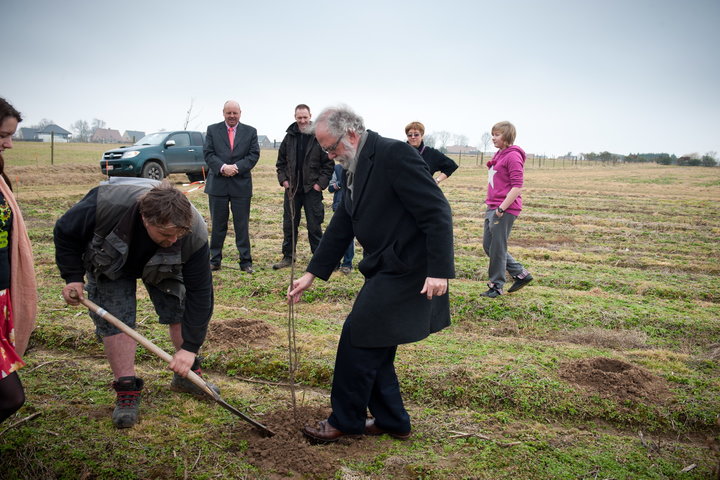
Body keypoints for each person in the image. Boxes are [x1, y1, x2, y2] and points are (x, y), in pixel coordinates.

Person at [288, 105, 454, 443]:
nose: (329, 155)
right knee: (374, 342)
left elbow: (437, 210)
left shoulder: (394, 155)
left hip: (410, 268)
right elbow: (344, 222)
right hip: (385, 267)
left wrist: (439, 271)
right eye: (324, 149)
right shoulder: (354, 164)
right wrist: (312, 274)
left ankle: (345, 420)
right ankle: (393, 420)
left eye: (331, 147)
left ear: (350, 134)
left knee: (358, 336)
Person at [54, 178, 216, 428]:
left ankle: (188, 375)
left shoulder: (193, 233)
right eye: (165, 233)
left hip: (165, 264)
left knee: (180, 306)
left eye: (178, 235)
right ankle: (127, 390)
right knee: (116, 320)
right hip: (110, 259)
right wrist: (72, 277)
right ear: (145, 219)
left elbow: (200, 294)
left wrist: (190, 348)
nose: (173, 239)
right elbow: (65, 231)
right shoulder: (105, 204)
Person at [0, 98, 38, 424]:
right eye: (2, 135)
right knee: (11, 396)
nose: (9, 144)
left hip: (1, 300)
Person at [273, 104, 334, 270]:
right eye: (299, 117)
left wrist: (319, 185)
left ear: (310, 116)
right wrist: (284, 180)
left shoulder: (319, 137)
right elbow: (280, 163)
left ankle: (319, 260)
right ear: (295, 117)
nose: (302, 121)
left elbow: (328, 164)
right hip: (292, 191)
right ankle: (288, 257)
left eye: (305, 117)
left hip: (311, 190)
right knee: (289, 224)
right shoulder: (289, 137)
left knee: (314, 226)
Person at [204, 100, 260, 273]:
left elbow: (253, 155)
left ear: (240, 113)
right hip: (218, 186)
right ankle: (214, 261)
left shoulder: (250, 132)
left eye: (235, 113)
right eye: (229, 113)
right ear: (223, 113)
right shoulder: (212, 130)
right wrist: (223, 167)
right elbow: (208, 153)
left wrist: (236, 167)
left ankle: (245, 262)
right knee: (218, 225)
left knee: (241, 226)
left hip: (241, 186)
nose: (232, 116)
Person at [481, 121, 533, 298]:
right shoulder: (500, 154)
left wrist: (502, 208)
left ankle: (496, 286)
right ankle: (521, 274)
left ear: (507, 136)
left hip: (504, 209)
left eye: (497, 135)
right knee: (489, 246)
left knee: (497, 247)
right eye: (493, 134)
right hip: (493, 206)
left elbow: (517, 186)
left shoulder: (513, 156)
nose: (493, 138)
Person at [327, 163, 354, 274]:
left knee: (349, 237)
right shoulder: (337, 168)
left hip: (353, 206)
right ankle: (335, 263)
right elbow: (330, 188)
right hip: (338, 206)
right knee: (336, 236)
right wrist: (340, 183)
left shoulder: (357, 166)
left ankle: (347, 264)